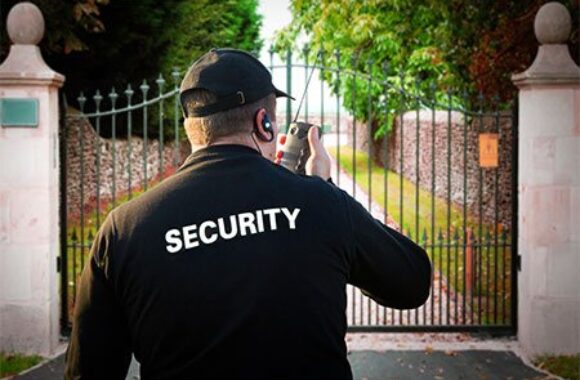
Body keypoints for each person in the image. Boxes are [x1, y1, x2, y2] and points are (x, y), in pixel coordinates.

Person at [64, 48, 432, 379]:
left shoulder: (125, 229)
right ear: (264, 123)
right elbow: (412, 282)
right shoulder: (322, 202)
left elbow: (88, 372)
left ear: (192, 129)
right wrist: (323, 188)